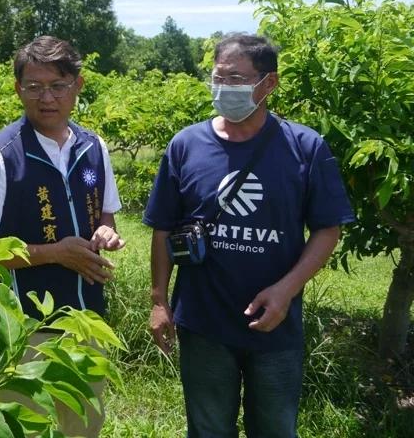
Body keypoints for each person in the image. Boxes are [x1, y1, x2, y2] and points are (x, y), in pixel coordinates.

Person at [143, 32, 355, 438]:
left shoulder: (304, 146)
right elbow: (163, 227)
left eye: (238, 80)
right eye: (219, 77)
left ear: (269, 83)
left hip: (274, 325)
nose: (225, 89)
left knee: (275, 429)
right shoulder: (186, 145)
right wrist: (158, 301)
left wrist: (286, 290)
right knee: (207, 430)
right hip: (203, 323)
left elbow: (328, 227)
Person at [0, 35, 124, 437]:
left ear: (77, 87)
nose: (46, 97)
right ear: (18, 89)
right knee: (20, 429)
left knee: (82, 428)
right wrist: (55, 254)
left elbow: (106, 215)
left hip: (86, 325)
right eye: (34, 87)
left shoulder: (94, 148)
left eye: (57, 86)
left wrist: (105, 232)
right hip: (23, 331)